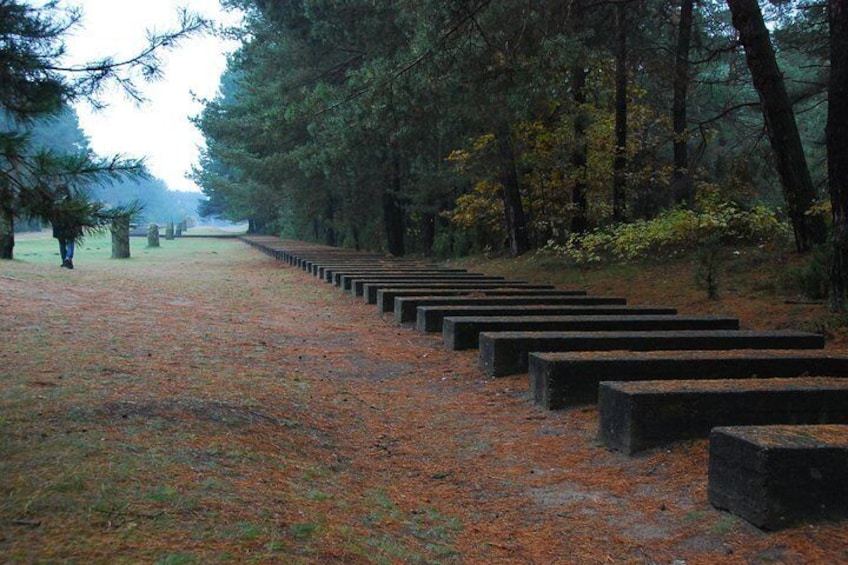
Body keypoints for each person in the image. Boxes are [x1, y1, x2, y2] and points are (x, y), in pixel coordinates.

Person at [50, 189, 83, 269]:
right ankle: (68, 259)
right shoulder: (73, 205)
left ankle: (65, 260)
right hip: (69, 228)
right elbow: (77, 218)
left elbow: (52, 218)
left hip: (60, 228)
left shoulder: (55, 205)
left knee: (62, 244)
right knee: (70, 243)